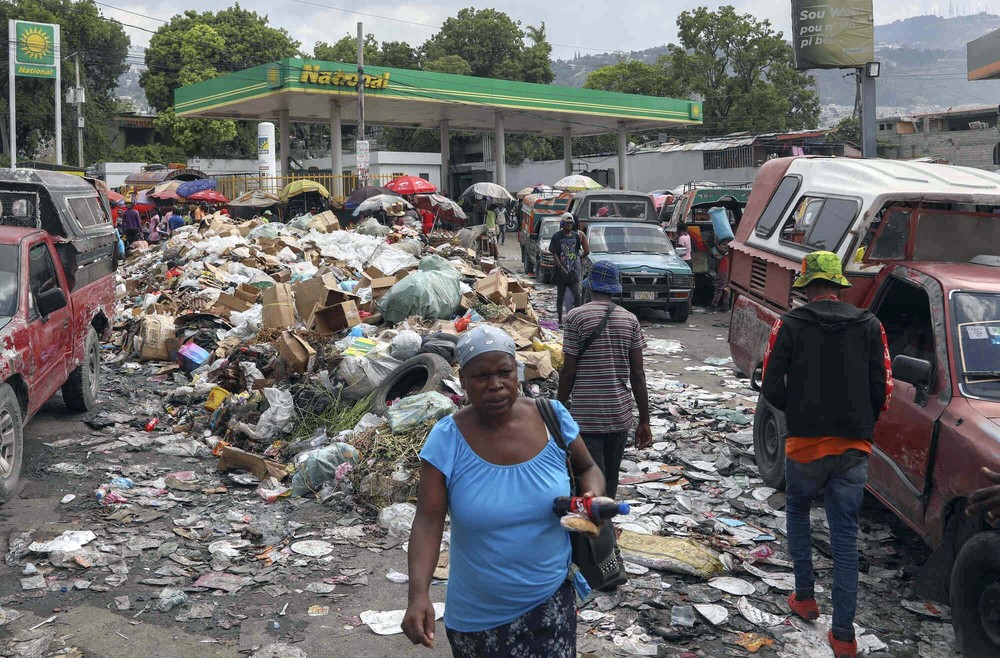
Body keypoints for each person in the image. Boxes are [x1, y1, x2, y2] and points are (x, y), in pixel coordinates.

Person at [402, 326, 604, 657]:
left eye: (504, 372)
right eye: (481, 376)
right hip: (479, 618)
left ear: (517, 372)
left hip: (550, 601)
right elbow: (427, 521)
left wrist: (590, 500)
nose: (495, 385)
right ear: (463, 381)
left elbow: (587, 468)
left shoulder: (551, 416)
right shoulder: (447, 439)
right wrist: (418, 594)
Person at [761, 251, 892, 658]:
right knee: (845, 536)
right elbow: (883, 386)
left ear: (806, 285)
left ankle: (804, 598)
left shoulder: (790, 323)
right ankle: (844, 636)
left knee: (798, 513)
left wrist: (798, 410)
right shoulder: (871, 325)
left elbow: (770, 383)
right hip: (854, 445)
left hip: (805, 445)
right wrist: (862, 422)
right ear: (838, 285)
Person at [557, 260, 652, 499]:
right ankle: (606, 523)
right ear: (614, 288)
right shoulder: (630, 320)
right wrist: (644, 420)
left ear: (590, 287)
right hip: (619, 415)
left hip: (586, 416)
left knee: (588, 478)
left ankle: (594, 532)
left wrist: (556, 409)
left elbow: (568, 371)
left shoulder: (575, 317)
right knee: (610, 478)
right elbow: (638, 375)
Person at [548, 213, 589, 325]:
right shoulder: (557, 237)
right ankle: (560, 320)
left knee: (577, 294)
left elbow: (577, 252)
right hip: (561, 272)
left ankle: (577, 319)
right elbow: (554, 253)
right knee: (560, 296)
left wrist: (577, 262)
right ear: (562, 224)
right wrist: (560, 267)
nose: (569, 225)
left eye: (571, 223)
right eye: (567, 223)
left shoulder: (575, 236)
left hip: (573, 271)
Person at [708, 237, 732, 313]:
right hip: (726, 271)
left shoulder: (726, 251)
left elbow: (722, 250)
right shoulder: (729, 253)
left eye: (725, 244)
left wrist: (716, 243)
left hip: (723, 271)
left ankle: (713, 306)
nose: (723, 246)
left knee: (718, 289)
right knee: (725, 289)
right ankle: (725, 306)